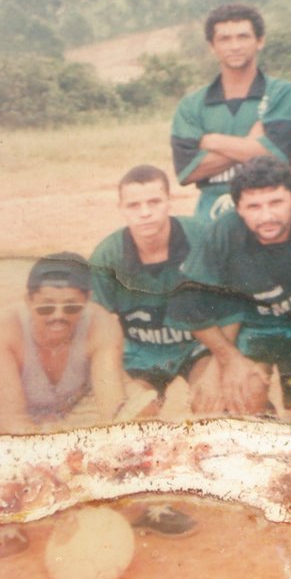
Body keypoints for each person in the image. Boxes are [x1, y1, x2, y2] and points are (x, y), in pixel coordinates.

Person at [0, 254, 125, 556]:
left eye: (71, 306)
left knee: (126, 436)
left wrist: (117, 448)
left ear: (86, 300)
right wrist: (55, 466)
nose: (58, 315)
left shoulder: (103, 326)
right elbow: (12, 417)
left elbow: (111, 405)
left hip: (68, 415)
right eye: (46, 305)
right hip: (9, 425)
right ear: (28, 301)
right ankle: (12, 517)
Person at [167, 156, 291, 416]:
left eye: (276, 202)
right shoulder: (224, 233)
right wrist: (228, 361)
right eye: (254, 206)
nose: (267, 216)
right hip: (255, 324)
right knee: (244, 394)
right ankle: (269, 428)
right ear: (238, 208)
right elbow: (187, 304)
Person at [89, 165, 208, 415]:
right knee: (138, 415)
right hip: (140, 352)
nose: (145, 213)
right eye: (134, 205)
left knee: (213, 404)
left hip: (197, 345)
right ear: (121, 208)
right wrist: (122, 384)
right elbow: (98, 328)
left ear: (169, 201)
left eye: (154, 202)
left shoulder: (201, 237)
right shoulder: (107, 257)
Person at [171, 3, 291, 220]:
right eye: (224, 39)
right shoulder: (192, 104)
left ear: (260, 41)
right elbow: (187, 172)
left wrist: (213, 141)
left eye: (243, 36)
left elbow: (277, 157)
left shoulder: (282, 93)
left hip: (270, 211)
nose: (234, 46)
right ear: (212, 46)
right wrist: (252, 146)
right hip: (211, 214)